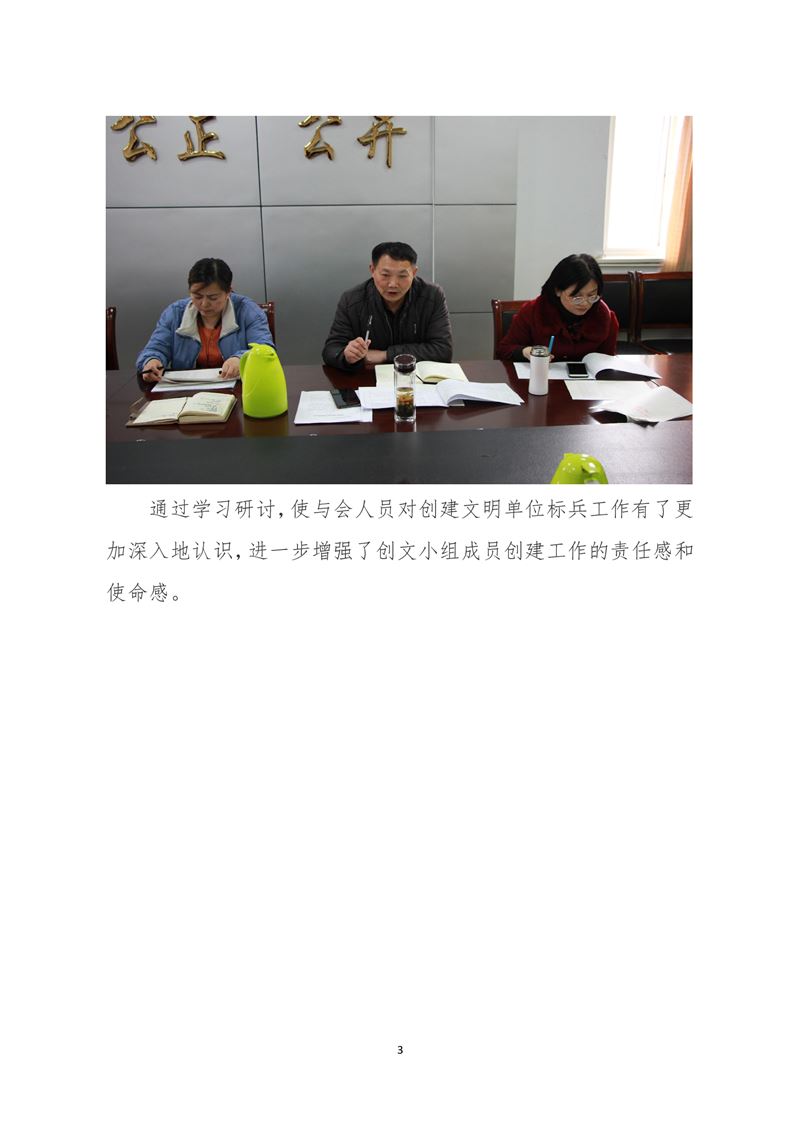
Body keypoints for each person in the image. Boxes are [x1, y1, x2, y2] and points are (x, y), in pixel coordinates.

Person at [136, 258, 275, 382]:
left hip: (237, 389)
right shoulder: (175, 313)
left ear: (228, 292)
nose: (204, 304)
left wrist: (240, 359)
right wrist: (151, 361)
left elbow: (265, 350)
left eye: (213, 298)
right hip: (186, 391)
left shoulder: (248, 311)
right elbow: (155, 348)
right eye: (197, 296)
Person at [322, 241, 452, 370]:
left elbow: (443, 350)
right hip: (368, 379)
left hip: (415, 378)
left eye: (402, 276)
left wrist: (385, 355)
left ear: (414, 273)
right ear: (372, 270)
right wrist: (347, 355)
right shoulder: (352, 300)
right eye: (385, 275)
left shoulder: (432, 296)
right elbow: (331, 350)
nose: (393, 284)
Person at [496, 253, 618, 363]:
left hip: (587, 380)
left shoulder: (604, 316)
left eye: (592, 296)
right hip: (542, 377)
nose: (585, 303)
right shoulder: (534, 311)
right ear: (558, 290)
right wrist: (525, 351)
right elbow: (504, 349)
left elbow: (606, 361)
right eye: (577, 297)